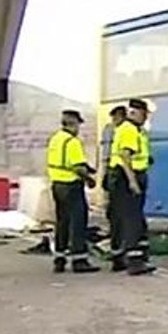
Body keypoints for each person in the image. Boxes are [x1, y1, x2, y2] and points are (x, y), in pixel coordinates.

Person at [47, 110, 99, 274]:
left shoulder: (55, 139)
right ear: (72, 124)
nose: (78, 128)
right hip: (71, 186)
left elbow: (63, 161)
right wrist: (89, 179)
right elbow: (77, 167)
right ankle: (79, 260)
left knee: (62, 222)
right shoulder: (73, 141)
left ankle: (59, 259)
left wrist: (87, 167)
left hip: (57, 185)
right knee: (78, 223)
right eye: (78, 124)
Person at [108, 99, 153, 275]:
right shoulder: (129, 129)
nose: (145, 117)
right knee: (132, 219)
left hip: (121, 177)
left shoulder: (131, 129)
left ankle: (119, 258)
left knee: (122, 218)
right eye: (144, 114)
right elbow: (125, 155)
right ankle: (135, 262)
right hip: (126, 177)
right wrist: (133, 181)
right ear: (136, 113)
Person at [101, 105, 127, 257]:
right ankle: (117, 247)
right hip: (114, 173)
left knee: (117, 211)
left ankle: (118, 245)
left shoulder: (124, 130)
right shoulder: (110, 130)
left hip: (116, 173)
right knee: (114, 210)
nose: (114, 120)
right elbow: (106, 155)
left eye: (116, 117)